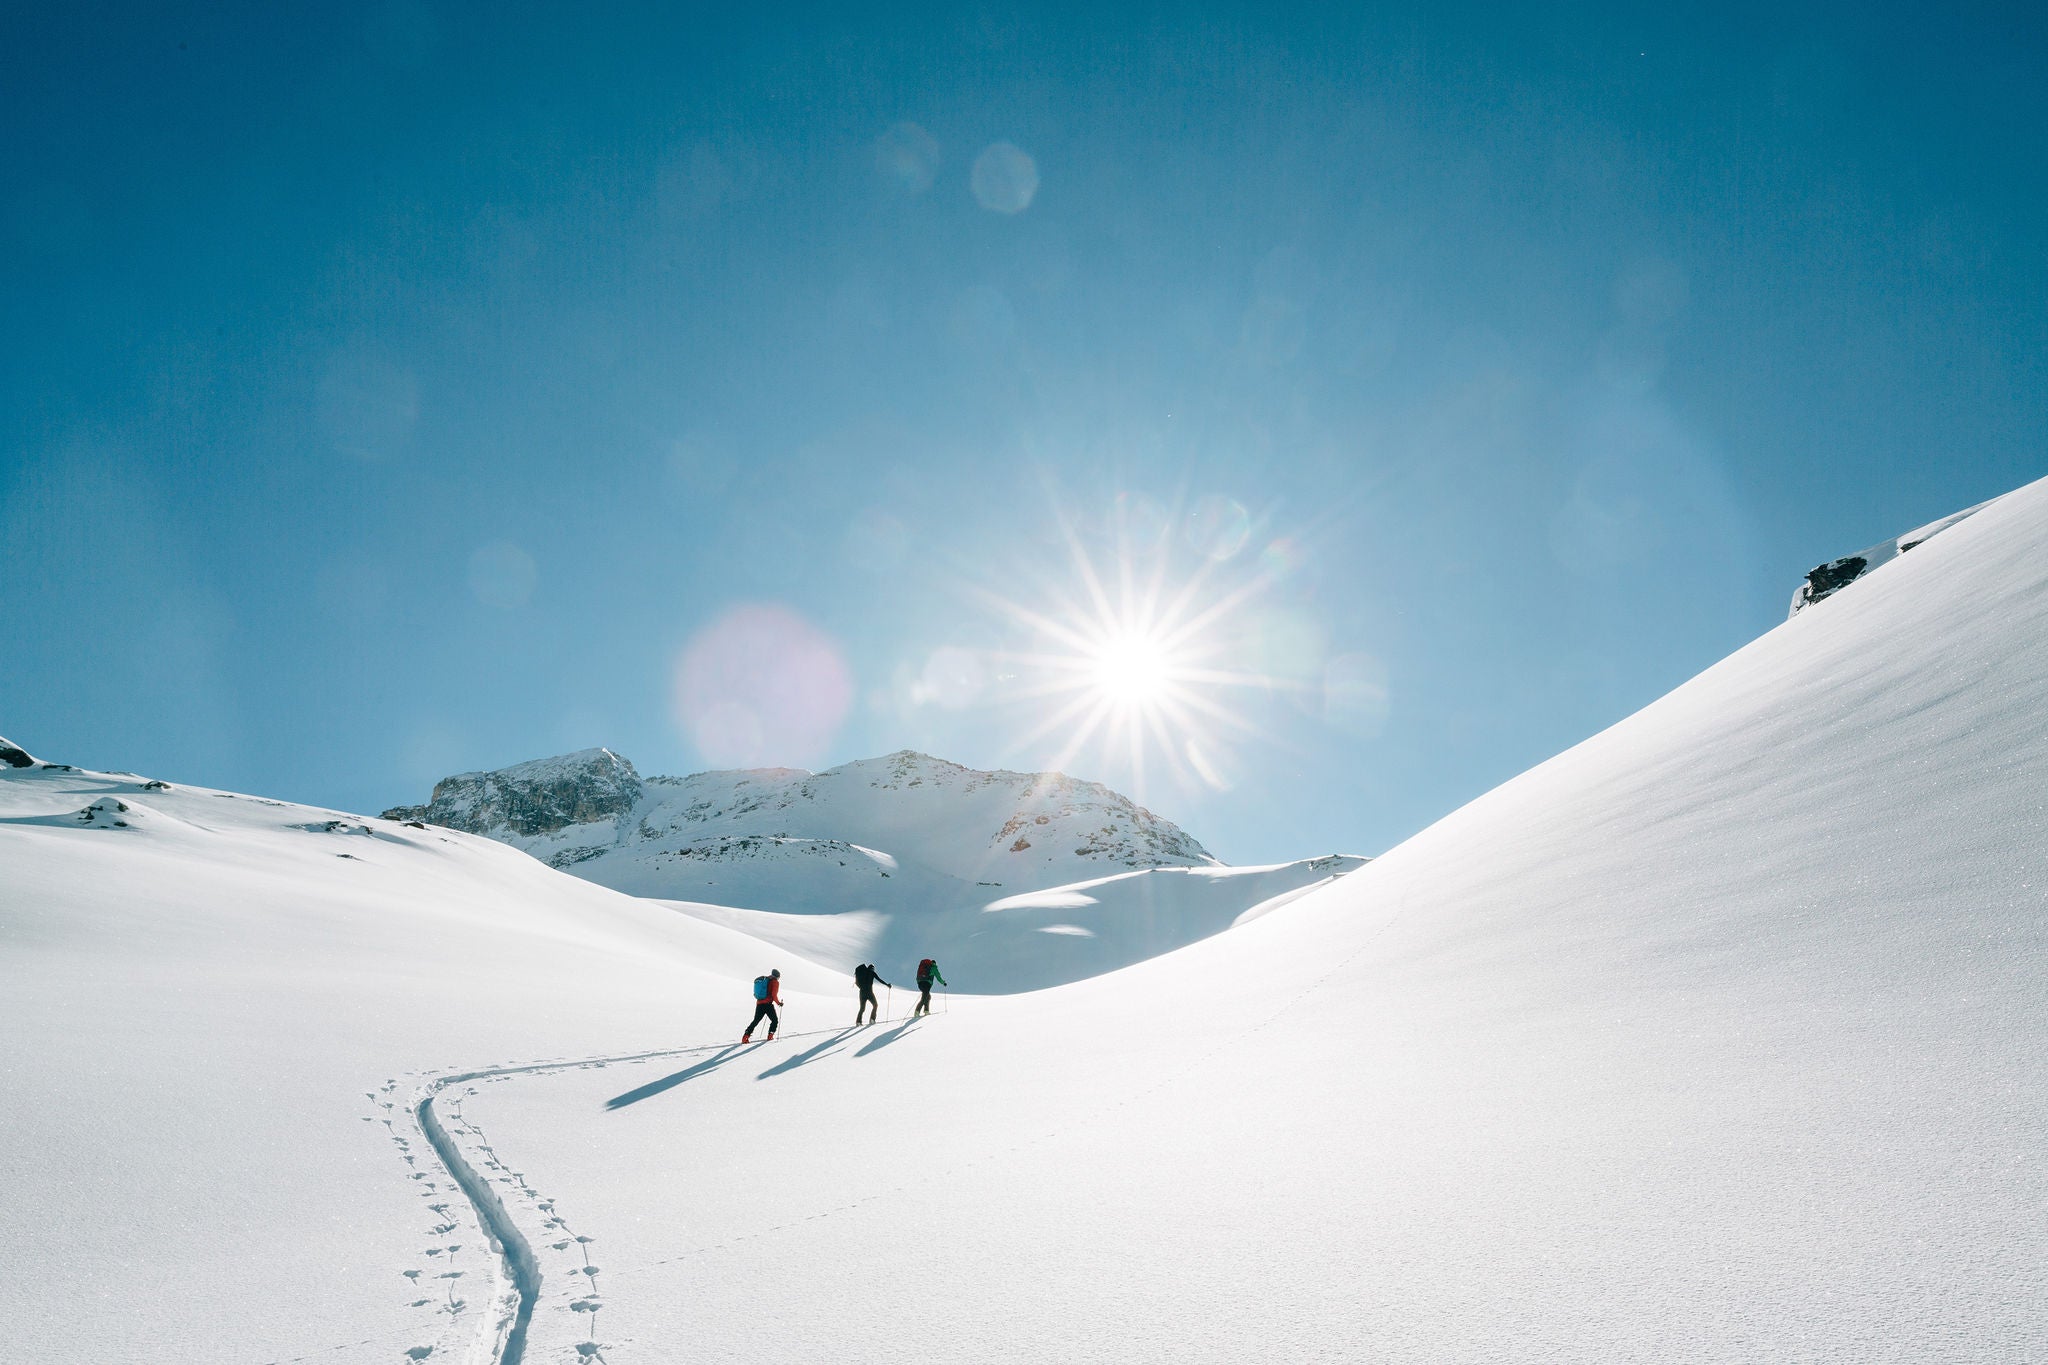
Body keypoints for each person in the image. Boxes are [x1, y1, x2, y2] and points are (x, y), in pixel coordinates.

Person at [742, 969, 782, 1042]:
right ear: (777, 976)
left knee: (756, 1021)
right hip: (768, 1005)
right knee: (774, 1020)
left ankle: (745, 1036)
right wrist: (779, 1003)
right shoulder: (775, 982)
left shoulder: (766, 980)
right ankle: (770, 1036)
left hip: (759, 1003)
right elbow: (774, 995)